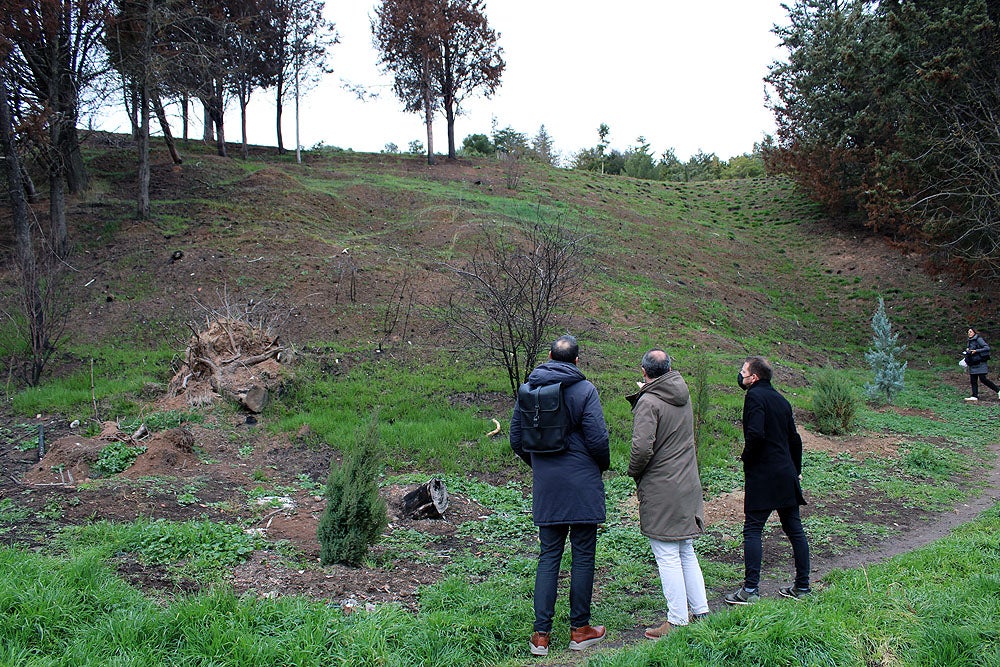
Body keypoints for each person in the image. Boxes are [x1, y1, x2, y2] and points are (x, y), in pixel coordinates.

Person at [510, 335, 611, 657]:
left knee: (548, 557)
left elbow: (516, 438)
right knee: (583, 557)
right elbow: (597, 439)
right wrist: (599, 466)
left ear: (549, 357)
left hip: (548, 486)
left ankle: (540, 636)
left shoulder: (529, 390)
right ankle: (580, 630)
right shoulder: (585, 390)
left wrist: (540, 464)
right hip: (581, 485)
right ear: (577, 361)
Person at [626, 349, 710, 639]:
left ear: (644, 371)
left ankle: (676, 620)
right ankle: (701, 611)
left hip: (663, 487)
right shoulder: (681, 393)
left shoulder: (649, 401)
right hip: (687, 483)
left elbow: (641, 449)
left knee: (666, 554)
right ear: (669, 368)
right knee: (685, 548)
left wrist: (634, 472)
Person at [725, 356, 811, 605]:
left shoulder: (754, 397)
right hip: (786, 472)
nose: (740, 375)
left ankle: (750, 590)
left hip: (763, 475)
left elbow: (755, 434)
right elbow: (795, 439)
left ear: (754, 377)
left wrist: (747, 459)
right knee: (795, 529)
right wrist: (796, 469)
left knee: (753, 529)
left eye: (743, 371)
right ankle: (802, 586)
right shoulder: (781, 400)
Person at [963, 328, 998, 402]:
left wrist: (976, 351)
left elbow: (987, 347)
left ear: (974, 333)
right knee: (973, 380)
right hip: (973, 363)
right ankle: (974, 396)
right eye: (968, 332)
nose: (969, 333)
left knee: (983, 379)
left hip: (980, 363)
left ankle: (998, 391)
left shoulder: (979, 339)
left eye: (970, 332)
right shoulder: (969, 341)